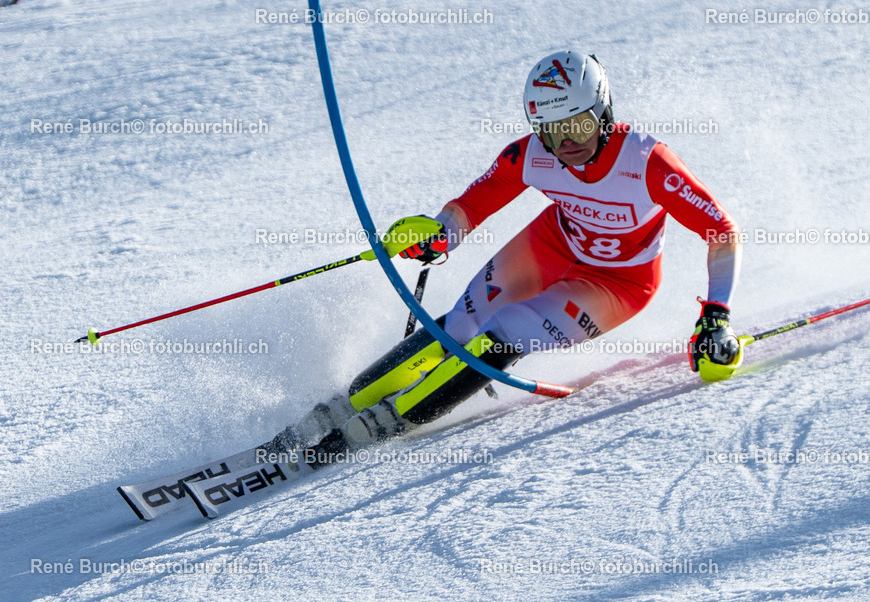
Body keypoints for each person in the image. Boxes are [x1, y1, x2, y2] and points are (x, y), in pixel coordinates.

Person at [272, 50, 743, 457]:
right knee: (461, 322)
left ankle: (377, 426)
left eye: (579, 125)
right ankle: (339, 409)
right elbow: (469, 207)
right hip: (552, 244)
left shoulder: (646, 160)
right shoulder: (531, 154)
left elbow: (720, 230)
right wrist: (440, 234)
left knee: (504, 331)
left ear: (603, 112)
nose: (569, 144)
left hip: (618, 282)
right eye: (554, 132)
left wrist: (716, 316)